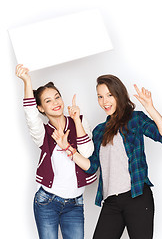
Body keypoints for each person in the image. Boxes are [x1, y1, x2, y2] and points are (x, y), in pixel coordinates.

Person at [52, 74, 162, 239]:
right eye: (100, 97)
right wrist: (68, 148)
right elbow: (91, 167)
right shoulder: (99, 131)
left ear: (119, 94)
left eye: (109, 95)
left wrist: (150, 108)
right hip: (111, 202)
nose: (105, 101)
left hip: (137, 196)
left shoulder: (135, 119)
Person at [15, 64, 97, 239]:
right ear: (41, 108)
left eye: (57, 97)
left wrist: (76, 122)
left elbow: (88, 153)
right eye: (48, 101)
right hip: (47, 202)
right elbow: (30, 115)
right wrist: (27, 82)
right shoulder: (42, 133)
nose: (55, 103)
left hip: (75, 204)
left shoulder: (79, 120)